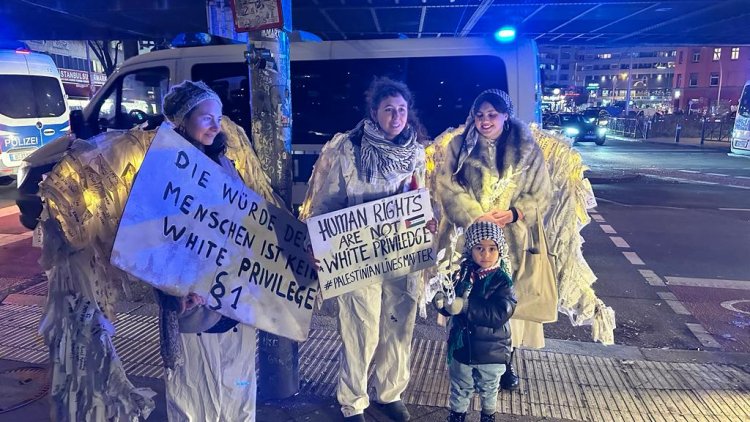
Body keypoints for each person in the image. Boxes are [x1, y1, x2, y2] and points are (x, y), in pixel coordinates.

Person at [299, 77, 427, 422]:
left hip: (401, 255)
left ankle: (390, 393)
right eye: (389, 110)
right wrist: (318, 241)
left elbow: (419, 199)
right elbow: (327, 200)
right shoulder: (349, 149)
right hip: (357, 256)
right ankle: (353, 400)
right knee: (360, 329)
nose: (396, 116)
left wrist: (424, 228)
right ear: (374, 112)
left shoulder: (415, 152)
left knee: (399, 325)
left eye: (401, 110)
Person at [434, 89, 552, 391]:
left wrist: (514, 213)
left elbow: (541, 195)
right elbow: (447, 188)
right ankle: (465, 358)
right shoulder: (459, 146)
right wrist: (475, 215)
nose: (485, 121)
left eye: (492, 115)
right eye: (480, 115)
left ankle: (503, 364)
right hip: (468, 240)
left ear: (505, 115)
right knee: (467, 299)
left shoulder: (527, 149)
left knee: (503, 304)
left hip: (509, 243)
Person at [157, 80, 256, 421]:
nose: (216, 125)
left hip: (232, 301)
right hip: (193, 306)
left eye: (219, 117)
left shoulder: (225, 165)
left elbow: (248, 224)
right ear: (182, 121)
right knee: (192, 393)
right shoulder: (164, 171)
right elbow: (153, 242)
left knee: (238, 383)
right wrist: (177, 290)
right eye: (206, 118)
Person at [433, 221, 516, 422]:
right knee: (460, 386)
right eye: (479, 248)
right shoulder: (462, 273)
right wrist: (442, 304)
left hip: (491, 351)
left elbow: (499, 313)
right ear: (470, 249)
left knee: (489, 388)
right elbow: (451, 300)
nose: (485, 254)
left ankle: (488, 416)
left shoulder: (502, 280)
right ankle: (457, 415)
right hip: (463, 347)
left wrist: (465, 306)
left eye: (491, 248)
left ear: (499, 250)